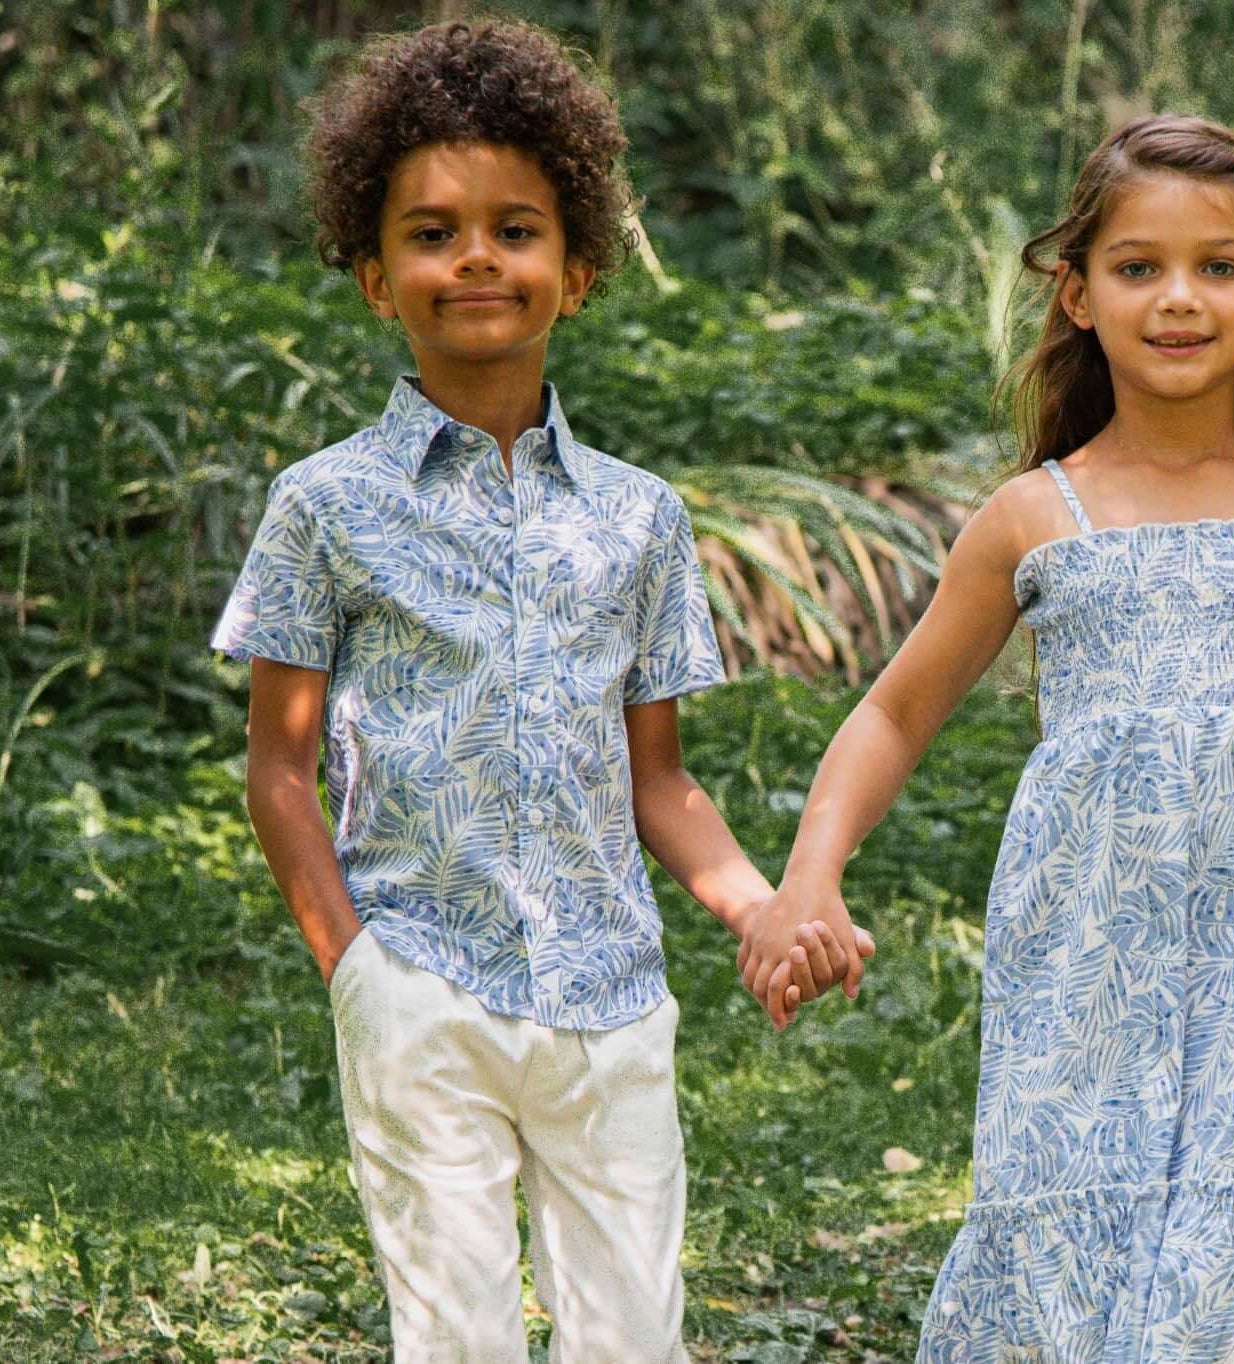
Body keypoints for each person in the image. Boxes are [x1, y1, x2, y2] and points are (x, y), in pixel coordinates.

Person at [738, 114, 1234, 1360]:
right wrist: (808, 870)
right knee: (1070, 1212)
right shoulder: (1035, 516)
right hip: (1081, 967)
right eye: (1137, 267)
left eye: (1218, 266)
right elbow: (891, 709)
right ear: (1077, 293)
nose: (1178, 298)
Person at [210, 18, 860, 1360]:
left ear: (574, 270)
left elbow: (658, 778)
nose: (474, 260)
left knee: (632, 1337)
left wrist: (756, 908)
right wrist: (358, 971)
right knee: (454, 1339)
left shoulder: (640, 518)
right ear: (377, 276)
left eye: (514, 229)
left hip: (609, 996)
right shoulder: (325, 506)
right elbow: (280, 768)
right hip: (419, 989)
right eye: (432, 232)